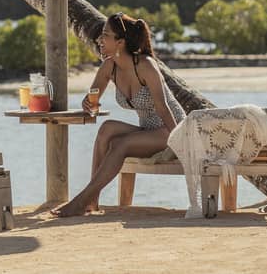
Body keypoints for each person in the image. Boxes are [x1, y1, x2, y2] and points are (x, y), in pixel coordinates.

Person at [51, 12, 186, 217]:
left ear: (120, 42)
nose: (99, 40)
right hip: (148, 129)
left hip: (170, 128)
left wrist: (179, 140)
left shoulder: (145, 65)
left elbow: (163, 107)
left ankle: (81, 200)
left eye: (105, 35)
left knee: (120, 144)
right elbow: (93, 98)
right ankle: (92, 202)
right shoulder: (109, 67)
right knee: (107, 129)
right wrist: (88, 105)